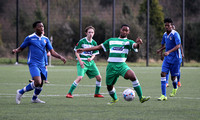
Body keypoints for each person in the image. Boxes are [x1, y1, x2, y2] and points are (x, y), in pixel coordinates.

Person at [77, 24, 150, 105]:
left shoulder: (128, 42)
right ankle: (115, 99)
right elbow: (98, 47)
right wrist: (84, 49)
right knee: (109, 86)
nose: (124, 32)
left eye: (126, 30)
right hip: (111, 66)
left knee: (132, 76)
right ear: (120, 30)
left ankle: (141, 97)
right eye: (123, 30)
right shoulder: (111, 40)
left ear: (128, 32)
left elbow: (135, 46)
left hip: (122, 65)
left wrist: (138, 43)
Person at [12, 21, 66, 104]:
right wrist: (16, 50)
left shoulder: (46, 39)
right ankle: (20, 92)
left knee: (40, 84)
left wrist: (60, 57)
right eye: (40, 26)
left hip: (42, 64)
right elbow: (21, 48)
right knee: (37, 81)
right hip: (33, 63)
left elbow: (52, 52)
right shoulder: (30, 38)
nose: (42, 28)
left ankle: (34, 98)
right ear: (35, 28)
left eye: (43, 26)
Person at [66, 26, 104, 98]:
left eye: (92, 32)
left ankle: (97, 93)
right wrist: (80, 61)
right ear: (86, 33)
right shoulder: (82, 41)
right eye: (89, 32)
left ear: (94, 33)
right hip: (82, 62)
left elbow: (94, 53)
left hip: (90, 63)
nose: (90, 34)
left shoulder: (94, 42)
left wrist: (91, 58)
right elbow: (76, 52)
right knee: (80, 78)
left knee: (99, 78)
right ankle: (69, 93)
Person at [157, 18, 182, 101]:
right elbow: (165, 45)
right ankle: (163, 95)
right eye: (165, 25)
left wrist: (169, 52)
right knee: (163, 74)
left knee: (173, 77)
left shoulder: (175, 34)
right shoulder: (165, 34)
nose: (167, 27)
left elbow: (178, 45)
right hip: (167, 58)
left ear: (172, 26)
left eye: (168, 25)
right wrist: (160, 51)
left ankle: (175, 87)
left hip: (176, 58)